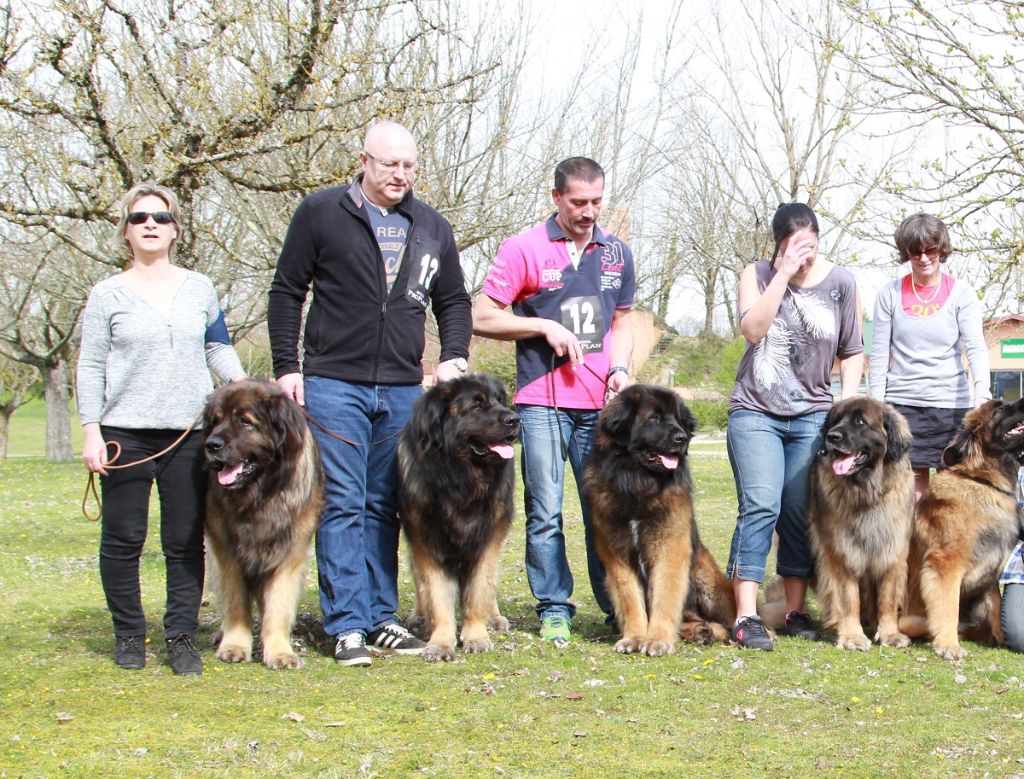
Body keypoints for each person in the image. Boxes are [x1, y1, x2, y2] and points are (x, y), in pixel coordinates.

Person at [268, 121, 471, 667]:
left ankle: (382, 617)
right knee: (343, 504)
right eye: (389, 164)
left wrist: (454, 355)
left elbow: (454, 299)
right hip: (335, 381)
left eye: (409, 165)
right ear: (364, 161)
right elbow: (287, 290)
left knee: (386, 504)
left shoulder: (431, 226)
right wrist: (288, 366)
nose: (400, 174)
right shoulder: (321, 212)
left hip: (404, 385)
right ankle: (347, 625)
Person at [77, 182, 246, 675]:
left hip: (188, 434)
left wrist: (245, 384)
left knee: (184, 540)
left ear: (175, 229)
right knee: (123, 539)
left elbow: (216, 347)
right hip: (124, 435)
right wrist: (91, 431)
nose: (150, 224)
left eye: (161, 217)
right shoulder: (107, 294)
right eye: (139, 218)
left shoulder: (199, 288)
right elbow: (90, 366)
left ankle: (180, 636)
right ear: (125, 231)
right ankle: (129, 634)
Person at [473, 156, 635, 646]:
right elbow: (482, 315)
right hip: (541, 399)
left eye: (597, 202)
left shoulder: (618, 253)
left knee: (601, 509)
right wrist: (542, 325)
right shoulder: (523, 247)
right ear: (556, 198)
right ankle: (554, 607)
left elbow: (622, 320)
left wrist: (621, 369)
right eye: (578, 202)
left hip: (598, 406)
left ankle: (616, 607)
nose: (589, 212)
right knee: (545, 508)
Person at [726, 202, 864, 651]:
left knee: (797, 510)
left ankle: (794, 609)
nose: (804, 253)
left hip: (812, 416)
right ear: (778, 243)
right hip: (755, 410)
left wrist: (846, 402)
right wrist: (783, 274)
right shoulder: (757, 274)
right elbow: (753, 330)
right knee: (761, 505)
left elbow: (852, 349)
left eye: (811, 244)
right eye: (793, 245)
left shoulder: (842, 282)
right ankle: (745, 615)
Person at [868, 213, 990, 501]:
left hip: (951, 406)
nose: (924, 258)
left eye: (930, 249)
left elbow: (975, 347)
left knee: (953, 493)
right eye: (915, 251)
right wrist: (876, 407)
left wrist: (981, 396)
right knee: (913, 493)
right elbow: (878, 354)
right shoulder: (889, 295)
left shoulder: (962, 294)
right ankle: (913, 547)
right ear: (906, 253)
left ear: (941, 249)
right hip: (904, 407)